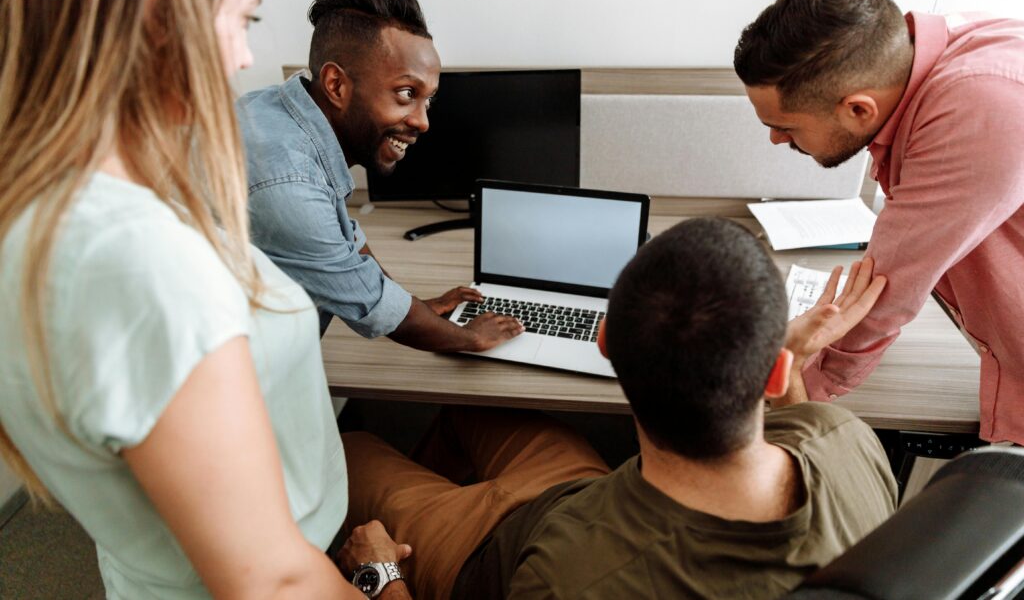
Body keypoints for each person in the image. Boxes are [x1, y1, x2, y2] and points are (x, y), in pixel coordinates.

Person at [0, 0, 409, 598]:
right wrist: (383, 579)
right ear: (161, 12)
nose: (245, 56)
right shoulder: (136, 263)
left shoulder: (53, 205)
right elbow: (273, 582)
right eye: (242, 16)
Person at [340, 218, 897, 600]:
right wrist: (790, 362)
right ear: (776, 374)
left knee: (352, 446)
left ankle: (421, 533)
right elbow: (799, 425)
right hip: (586, 496)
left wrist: (382, 574)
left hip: (487, 556)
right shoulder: (845, 438)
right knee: (470, 411)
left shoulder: (571, 580)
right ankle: (437, 495)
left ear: (605, 343)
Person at [733, 0, 1024, 444]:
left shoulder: (981, 107)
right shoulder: (930, 56)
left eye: (786, 125)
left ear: (858, 109)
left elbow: (884, 289)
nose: (775, 138)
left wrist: (793, 392)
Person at [237, 0, 523, 351]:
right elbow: (375, 309)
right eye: (406, 93)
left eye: (428, 100)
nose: (422, 122)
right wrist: (471, 337)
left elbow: (346, 245)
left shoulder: (274, 110)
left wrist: (415, 305)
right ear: (336, 84)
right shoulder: (290, 184)